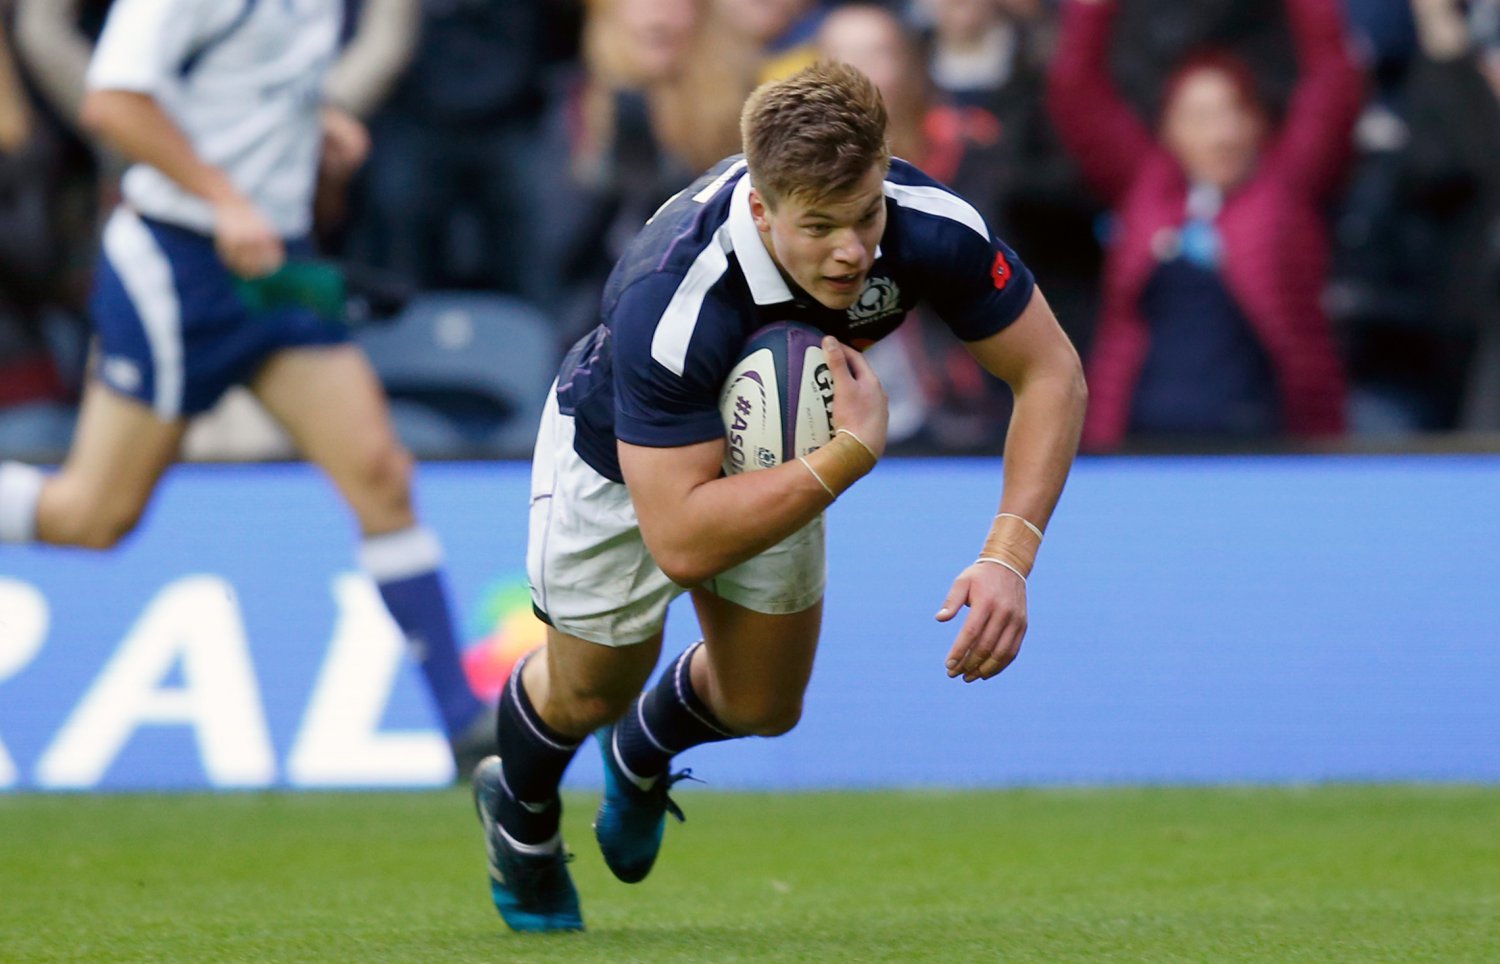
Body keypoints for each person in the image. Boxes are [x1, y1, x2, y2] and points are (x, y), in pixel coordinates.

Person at [471, 61, 1087, 933]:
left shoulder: (929, 225)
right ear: (761, 210)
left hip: (788, 444)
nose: (852, 251)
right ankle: (522, 823)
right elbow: (680, 539)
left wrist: (1007, 557)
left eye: (865, 215)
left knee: (764, 705)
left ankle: (643, 749)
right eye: (820, 227)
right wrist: (846, 458)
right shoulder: (673, 296)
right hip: (624, 465)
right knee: (589, 693)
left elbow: (1051, 372)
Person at [0, 0, 493, 775]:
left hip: (274, 264)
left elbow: (239, 89)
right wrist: (224, 196)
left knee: (379, 474)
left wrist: (313, 125)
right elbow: (113, 102)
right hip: (180, 263)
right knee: (93, 515)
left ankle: (466, 727)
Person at [1049, 0, 1363, 450]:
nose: (1220, 133)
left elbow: (1332, 79)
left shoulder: (1286, 187)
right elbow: (1076, 90)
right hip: (1136, 443)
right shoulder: (1145, 186)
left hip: (1267, 445)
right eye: (1197, 117)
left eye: (1234, 111)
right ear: (1168, 129)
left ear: (1258, 122)